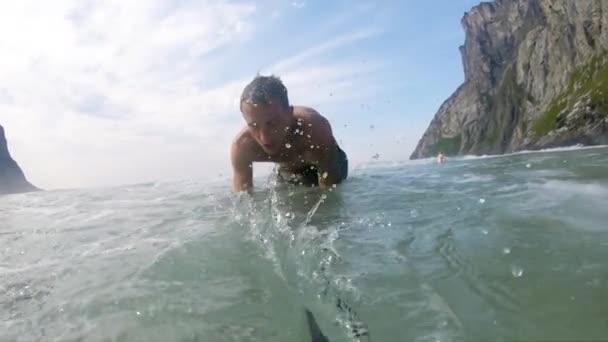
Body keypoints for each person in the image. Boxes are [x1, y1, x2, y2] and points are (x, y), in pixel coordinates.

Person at [230, 74, 348, 193]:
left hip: (329, 161)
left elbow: (331, 196)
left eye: (272, 123)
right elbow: (242, 200)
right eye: (253, 125)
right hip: (287, 170)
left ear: (289, 113)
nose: (264, 139)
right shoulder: (242, 146)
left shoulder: (315, 130)